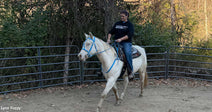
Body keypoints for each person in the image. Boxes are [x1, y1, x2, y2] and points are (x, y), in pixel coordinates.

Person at [107, 10, 134, 79]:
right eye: (121, 16)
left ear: (127, 16)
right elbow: (110, 32)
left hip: (126, 42)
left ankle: (130, 71)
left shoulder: (130, 25)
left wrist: (121, 39)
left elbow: (129, 35)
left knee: (127, 53)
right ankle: (104, 70)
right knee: (107, 52)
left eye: (123, 16)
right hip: (116, 42)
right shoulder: (117, 24)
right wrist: (108, 39)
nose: (121, 17)